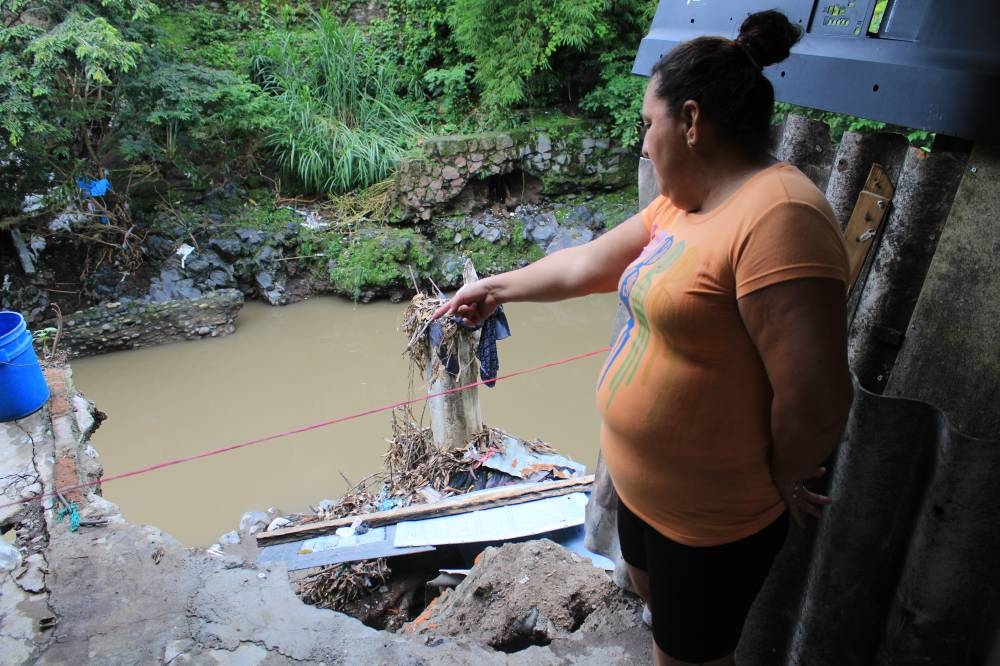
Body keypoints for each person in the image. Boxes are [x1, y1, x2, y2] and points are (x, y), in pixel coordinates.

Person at [433, 10, 853, 666]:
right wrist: (497, 288)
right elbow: (586, 264)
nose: (643, 144)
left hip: (710, 522)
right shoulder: (682, 206)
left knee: (690, 656)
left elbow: (819, 397)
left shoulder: (780, 218)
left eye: (647, 126)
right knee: (665, 627)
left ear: (690, 122)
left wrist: (781, 473)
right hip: (646, 496)